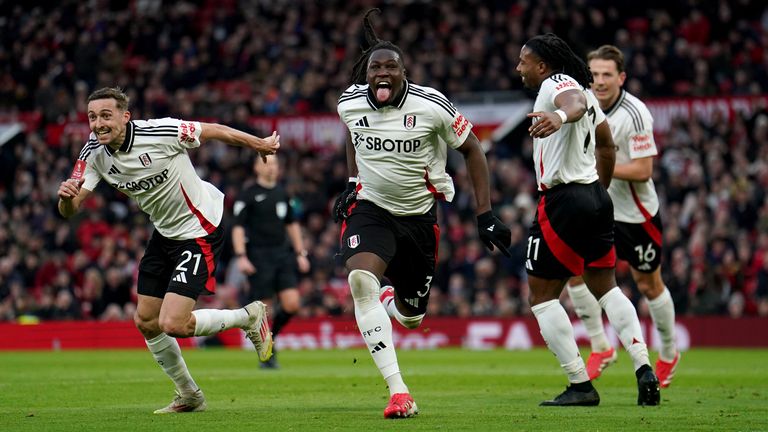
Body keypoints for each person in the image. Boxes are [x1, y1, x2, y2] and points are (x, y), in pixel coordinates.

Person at [334, 9, 511, 419]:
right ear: (367, 73)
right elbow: (352, 135)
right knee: (360, 280)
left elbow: (472, 149)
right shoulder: (349, 102)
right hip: (371, 209)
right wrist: (350, 180)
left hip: (418, 217)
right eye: (375, 67)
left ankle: (394, 302)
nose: (382, 73)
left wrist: (485, 214)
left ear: (403, 72)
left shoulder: (432, 105)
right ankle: (399, 392)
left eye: (390, 67)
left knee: (412, 318)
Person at [57, 87, 279, 414]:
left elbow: (213, 130)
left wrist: (258, 143)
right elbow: (71, 208)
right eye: (92, 117)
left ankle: (247, 316)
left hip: (200, 227)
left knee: (172, 323)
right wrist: (64, 198)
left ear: (125, 116)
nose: (98, 123)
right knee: (146, 320)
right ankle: (189, 395)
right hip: (165, 233)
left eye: (106, 115)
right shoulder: (92, 152)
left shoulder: (159, 131)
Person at [515, 34, 660, 406]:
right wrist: (597, 192)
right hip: (595, 196)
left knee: (543, 297)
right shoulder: (590, 94)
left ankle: (580, 384)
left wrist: (558, 115)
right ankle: (644, 366)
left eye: (524, 61)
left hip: (563, 199)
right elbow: (607, 146)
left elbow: (573, 104)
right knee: (606, 286)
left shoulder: (558, 85)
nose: (519, 68)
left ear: (543, 65)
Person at [566, 45, 680, 387]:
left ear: (621, 77)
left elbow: (644, 170)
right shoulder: (579, 103)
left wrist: (598, 167)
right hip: (600, 209)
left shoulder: (635, 113)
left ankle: (670, 352)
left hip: (637, 214)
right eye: (595, 74)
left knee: (648, 283)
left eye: (607, 75)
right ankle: (601, 346)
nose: (599, 82)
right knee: (573, 272)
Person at [232, 154, 311, 368]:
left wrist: (300, 253)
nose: (271, 167)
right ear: (256, 168)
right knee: (264, 310)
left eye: (275, 163)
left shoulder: (283, 193)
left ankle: (271, 338)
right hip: (259, 256)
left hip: (283, 255)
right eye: (266, 163)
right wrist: (241, 256)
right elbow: (238, 227)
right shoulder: (248, 195)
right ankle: (268, 353)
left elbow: (292, 224)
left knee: (292, 304)